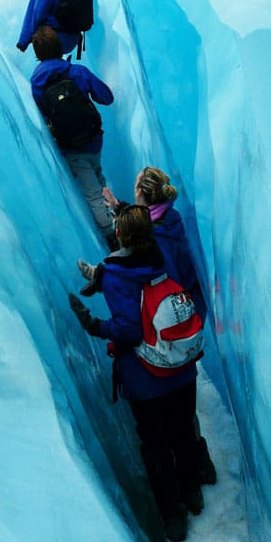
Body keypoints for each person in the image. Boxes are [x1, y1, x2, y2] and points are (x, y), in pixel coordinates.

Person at [68, 205, 205, 542]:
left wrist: (96, 326)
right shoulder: (160, 257)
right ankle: (193, 493)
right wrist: (101, 275)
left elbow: (129, 329)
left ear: (120, 234)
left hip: (147, 380)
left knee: (156, 447)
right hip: (182, 369)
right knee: (184, 432)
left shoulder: (116, 275)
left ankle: (173, 516)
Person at [79, 166, 217, 484]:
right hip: (185, 318)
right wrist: (122, 209)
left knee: (172, 421)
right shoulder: (170, 220)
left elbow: (149, 286)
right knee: (184, 413)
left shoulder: (155, 247)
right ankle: (200, 468)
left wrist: (104, 280)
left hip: (164, 330)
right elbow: (147, 224)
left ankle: (193, 470)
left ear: (142, 194)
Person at [30, 25, 117, 249]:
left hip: (70, 148)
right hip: (93, 139)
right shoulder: (77, 72)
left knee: (92, 194)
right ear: (59, 46)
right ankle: (115, 227)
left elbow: (42, 114)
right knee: (98, 179)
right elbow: (106, 97)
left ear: (37, 53)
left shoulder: (37, 83)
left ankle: (111, 235)